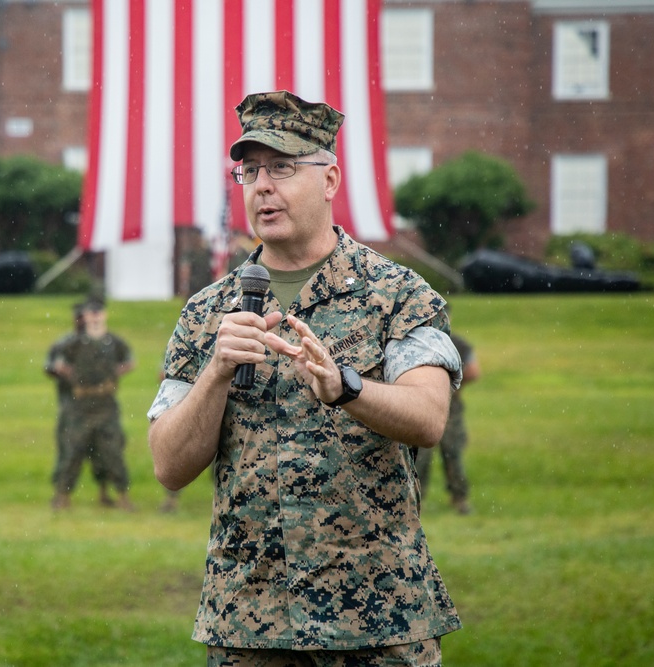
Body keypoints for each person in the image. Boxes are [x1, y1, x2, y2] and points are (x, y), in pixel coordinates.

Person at [147, 91, 463, 666]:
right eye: (250, 171)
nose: (262, 185)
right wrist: (215, 374)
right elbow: (169, 465)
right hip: (250, 623)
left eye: (283, 168)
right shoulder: (208, 311)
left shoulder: (397, 294)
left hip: (377, 618)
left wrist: (348, 388)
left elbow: (428, 418)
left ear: (330, 180)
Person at [46, 299, 135, 511]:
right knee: (72, 451)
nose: (95, 317)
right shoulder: (72, 343)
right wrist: (72, 376)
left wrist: (114, 373)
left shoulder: (113, 341)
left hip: (106, 405)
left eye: (99, 313)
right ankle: (62, 497)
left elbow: (129, 360)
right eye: (91, 314)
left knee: (112, 451)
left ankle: (122, 496)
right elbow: (55, 364)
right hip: (79, 406)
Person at [416, 333, 481, 515]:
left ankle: (415, 501)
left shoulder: (419, 340)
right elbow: (473, 372)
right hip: (450, 403)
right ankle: (460, 500)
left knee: (420, 456)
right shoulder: (457, 344)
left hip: (423, 402)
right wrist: (452, 385)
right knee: (452, 454)